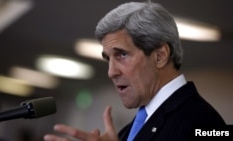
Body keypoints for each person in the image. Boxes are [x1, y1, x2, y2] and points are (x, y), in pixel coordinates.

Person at [44, 1, 226, 141]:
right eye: (108, 58)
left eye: (122, 54)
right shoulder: (128, 131)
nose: (111, 72)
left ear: (160, 56)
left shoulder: (205, 123)